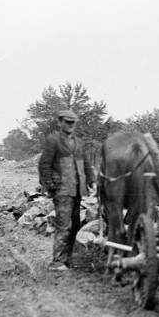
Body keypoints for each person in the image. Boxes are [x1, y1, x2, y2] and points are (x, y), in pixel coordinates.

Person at [38, 109, 97, 271]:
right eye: (67, 122)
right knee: (64, 226)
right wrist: (50, 186)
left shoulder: (78, 142)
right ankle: (57, 262)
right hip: (62, 191)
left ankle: (67, 259)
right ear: (59, 122)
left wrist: (92, 181)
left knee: (75, 225)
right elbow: (44, 165)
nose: (71, 125)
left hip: (77, 191)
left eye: (73, 123)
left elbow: (86, 165)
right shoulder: (53, 140)